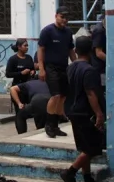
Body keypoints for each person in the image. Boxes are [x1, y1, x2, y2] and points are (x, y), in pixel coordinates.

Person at [61, 35, 105, 182]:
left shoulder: (70, 68)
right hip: (84, 113)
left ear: (76, 50)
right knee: (92, 147)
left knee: (84, 146)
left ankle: (87, 176)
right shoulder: (89, 70)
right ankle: (70, 172)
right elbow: (91, 94)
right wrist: (99, 113)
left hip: (72, 111)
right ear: (91, 51)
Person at [37, 8, 75, 138]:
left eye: (66, 17)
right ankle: (49, 124)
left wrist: (76, 64)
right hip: (50, 67)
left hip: (64, 67)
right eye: (62, 17)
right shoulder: (47, 31)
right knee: (55, 95)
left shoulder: (68, 32)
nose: (64, 20)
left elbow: (71, 50)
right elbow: (41, 50)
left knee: (63, 96)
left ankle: (56, 125)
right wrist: (41, 69)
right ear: (56, 16)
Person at [5, 38, 35, 116]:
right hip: (18, 87)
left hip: (28, 86)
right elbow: (8, 74)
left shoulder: (29, 58)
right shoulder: (13, 59)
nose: (27, 47)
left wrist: (32, 72)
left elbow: (33, 69)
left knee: (32, 110)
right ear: (19, 47)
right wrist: (21, 73)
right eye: (25, 45)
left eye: (27, 45)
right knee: (20, 112)